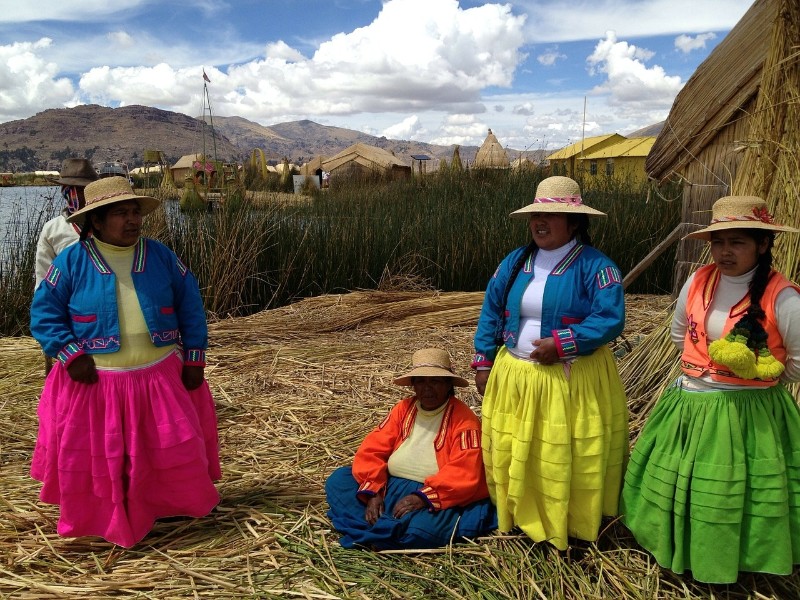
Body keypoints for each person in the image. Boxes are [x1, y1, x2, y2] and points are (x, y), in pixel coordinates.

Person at [29, 176, 221, 548]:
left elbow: (190, 306)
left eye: (135, 212)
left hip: (158, 377)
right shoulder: (72, 261)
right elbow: (45, 314)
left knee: (163, 448)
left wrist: (194, 358)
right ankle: (106, 516)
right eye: (121, 213)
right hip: (96, 382)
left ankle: (164, 507)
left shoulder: (161, 256)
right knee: (103, 456)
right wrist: (70, 355)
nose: (133, 220)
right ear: (96, 221)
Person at [620, 195, 800, 583]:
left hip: (748, 413)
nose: (724, 252)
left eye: (737, 242)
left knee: (730, 492)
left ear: (763, 245)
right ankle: (677, 547)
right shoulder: (698, 280)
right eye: (718, 242)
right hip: (689, 401)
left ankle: (735, 560)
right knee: (682, 482)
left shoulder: (782, 296)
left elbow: (798, 362)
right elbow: (678, 333)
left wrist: (758, 381)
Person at [472, 175, 628, 551]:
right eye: (535, 216)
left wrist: (563, 344)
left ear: (575, 223)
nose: (540, 223)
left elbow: (610, 318)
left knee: (562, 450)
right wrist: (483, 360)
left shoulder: (597, 267)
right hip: (516, 376)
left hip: (570, 378)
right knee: (520, 447)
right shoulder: (515, 262)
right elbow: (491, 309)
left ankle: (570, 523)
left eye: (551, 215)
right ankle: (519, 514)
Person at [325, 348, 497, 550]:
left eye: (435, 381)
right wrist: (373, 492)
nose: (427, 389)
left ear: (449, 385)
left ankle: (372, 531)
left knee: (422, 529)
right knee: (338, 481)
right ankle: (386, 532)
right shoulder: (403, 409)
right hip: (389, 486)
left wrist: (422, 497)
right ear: (413, 385)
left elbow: (465, 470)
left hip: (433, 495)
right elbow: (373, 448)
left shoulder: (464, 420)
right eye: (421, 381)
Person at [35, 158, 98, 289]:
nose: (86, 196)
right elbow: (44, 279)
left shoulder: (110, 224)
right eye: (80, 190)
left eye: (89, 189)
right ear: (66, 191)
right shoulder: (53, 229)